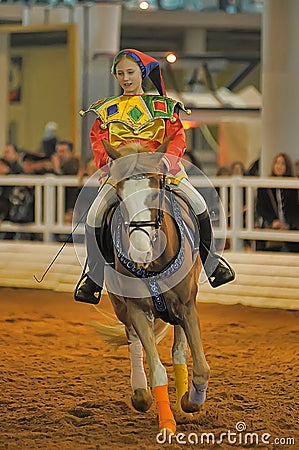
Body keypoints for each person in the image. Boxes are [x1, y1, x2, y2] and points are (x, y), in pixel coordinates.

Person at [74, 49, 235, 304]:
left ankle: (212, 262)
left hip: (162, 172)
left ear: (142, 73)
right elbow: (98, 142)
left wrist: (167, 162)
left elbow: (177, 137)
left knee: (198, 204)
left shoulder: (163, 106)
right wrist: (110, 165)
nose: (125, 78)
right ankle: (94, 277)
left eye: (130, 72)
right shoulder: (105, 110)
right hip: (123, 176)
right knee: (94, 215)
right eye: (120, 74)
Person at [256, 153, 299, 252]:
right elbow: (261, 207)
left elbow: (295, 210)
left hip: (290, 229)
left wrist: (288, 225)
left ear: (287, 166)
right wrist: (273, 221)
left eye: (282, 163)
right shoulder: (265, 186)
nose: (279, 166)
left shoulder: (293, 187)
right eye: (277, 163)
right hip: (270, 228)